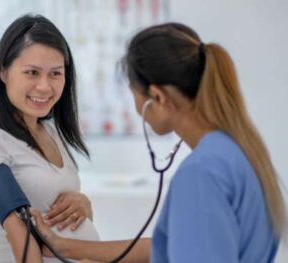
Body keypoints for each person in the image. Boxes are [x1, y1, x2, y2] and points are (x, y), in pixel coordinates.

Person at [30, 22, 287, 263]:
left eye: (134, 94)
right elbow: (174, 245)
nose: (137, 108)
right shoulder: (233, 152)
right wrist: (65, 246)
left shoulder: (200, 174)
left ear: (157, 97)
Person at [0, 14, 99, 263]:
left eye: (55, 74)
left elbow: (56, 215)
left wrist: (84, 206)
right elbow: (18, 234)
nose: (44, 86)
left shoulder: (53, 133)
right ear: (3, 72)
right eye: (32, 73)